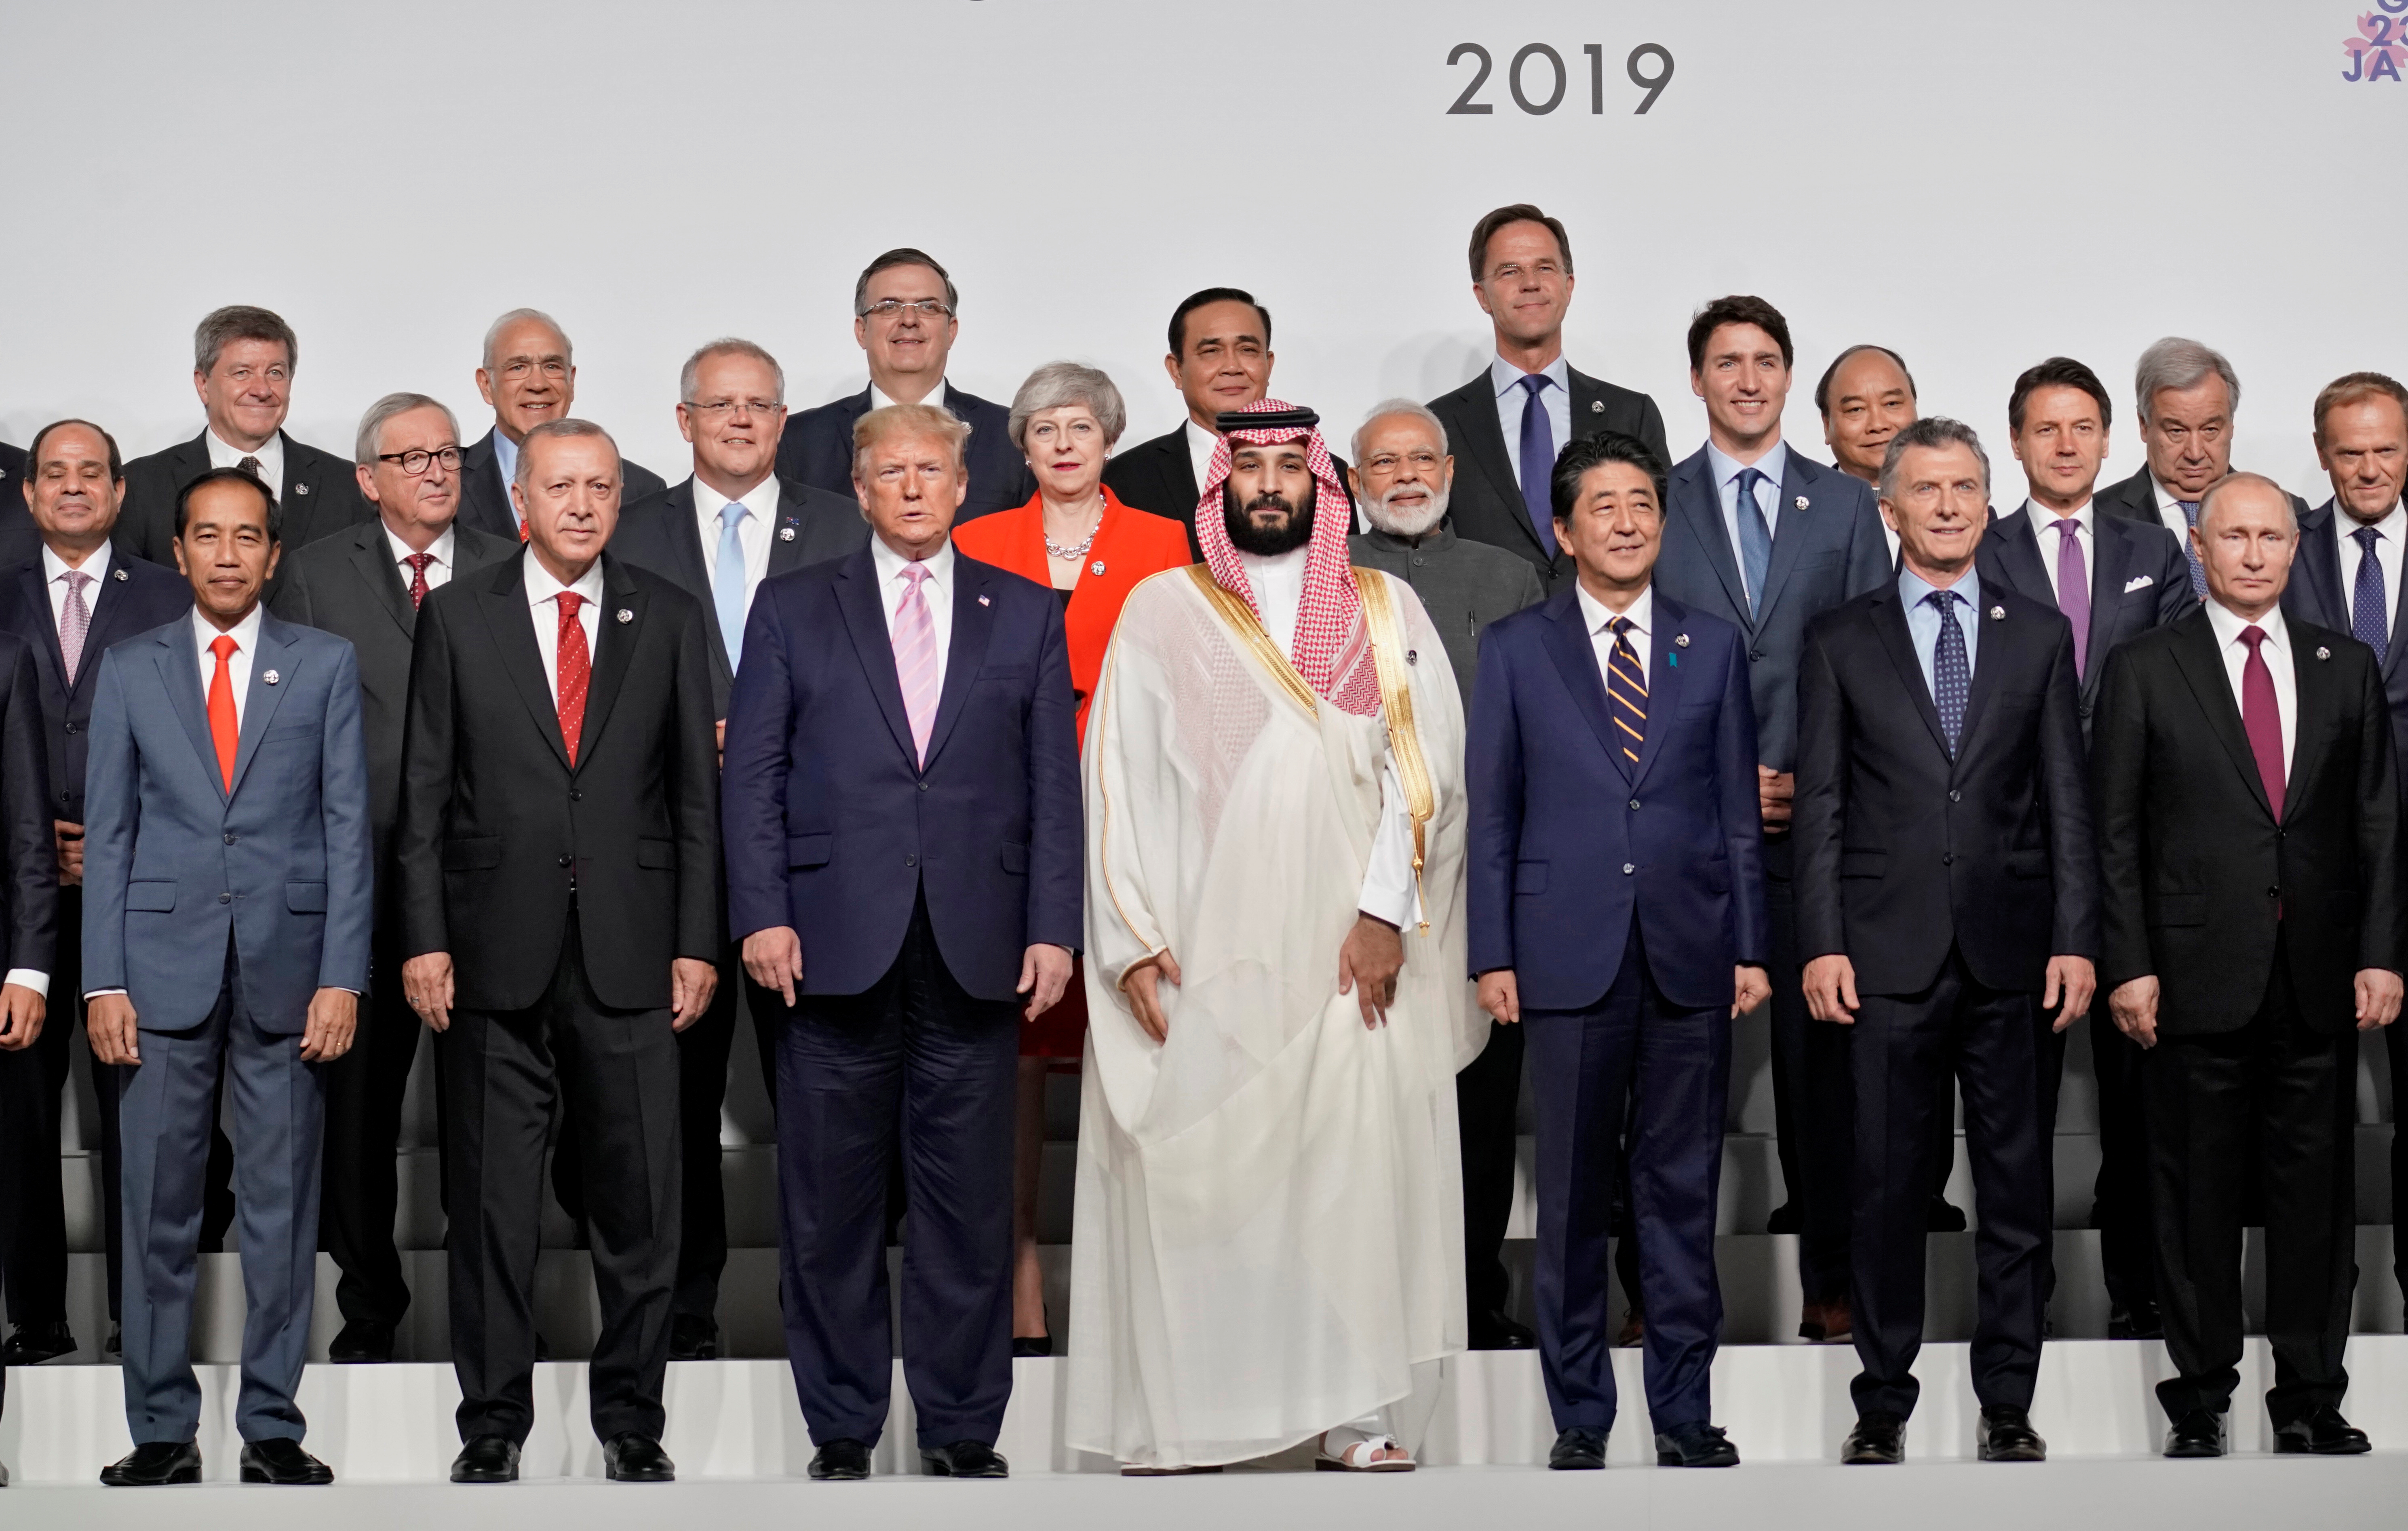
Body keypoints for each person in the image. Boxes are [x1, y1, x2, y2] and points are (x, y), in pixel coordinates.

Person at [1067, 397, 1482, 1474]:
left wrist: (1385, 913)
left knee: (1352, 1187)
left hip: (1352, 957)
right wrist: (1131, 939)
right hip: (1215, 952)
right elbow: (1114, 781)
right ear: (1219, 484)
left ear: (1318, 481)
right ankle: (1197, 1415)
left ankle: (1356, 1418)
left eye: (1284, 467)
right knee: (1215, 1182)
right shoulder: (1163, 608)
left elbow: (1423, 775)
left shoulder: (1383, 609)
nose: (1265, 483)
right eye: (1244, 465)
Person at [722, 402, 1080, 1483]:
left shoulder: (1022, 610)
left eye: (933, 468)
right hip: (828, 940)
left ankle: (962, 1422)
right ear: (860, 488)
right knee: (829, 1202)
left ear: (963, 485)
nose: (915, 486)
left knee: (967, 1203)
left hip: (977, 943)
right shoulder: (791, 607)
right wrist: (762, 910)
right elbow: (754, 779)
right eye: (893, 471)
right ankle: (839, 1422)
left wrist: (1052, 927)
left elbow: (1052, 789)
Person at [396, 419, 719, 1485]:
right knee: (490, 1206)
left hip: (632, 952)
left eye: (600, 487)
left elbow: (693, 798)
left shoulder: (667, 616)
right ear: (520, 497)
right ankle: (490, 1421)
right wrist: (425, 940)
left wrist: (695, 941)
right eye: (560, 486)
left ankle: (633, 1416)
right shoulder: (456, 615)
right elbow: (425, 794)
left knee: (641, 1202)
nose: (580, 504)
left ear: (619, 499)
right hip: (490, 954)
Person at [1796, 418, 2096, 1467]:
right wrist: (1820, 940)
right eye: (1925, 489)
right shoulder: (1839, 638)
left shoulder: (2037, 631)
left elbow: (2065, 798)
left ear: (1984, 498)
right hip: (1880, 956)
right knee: (1883, 1187)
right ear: (1889, 508)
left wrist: (2074, 936)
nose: (1947, 505)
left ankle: (2007, 1398)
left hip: (2012, 952)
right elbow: (1822, 805)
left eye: (1964, 486)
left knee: (2014, 1188)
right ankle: (1880, 1397)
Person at [1468, 431, 1767, 1471]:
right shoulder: (1513, 647)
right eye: (1604, 506)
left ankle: (1684, 1412)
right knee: (1574, 1197)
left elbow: (1737, 811)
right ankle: (1581, 1416)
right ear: (1564, 529)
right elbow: (1493, 814)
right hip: (1563, 954)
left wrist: (1751, 944)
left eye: (1643, 502)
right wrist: (1492, 950)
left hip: (1691, 952)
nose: (1629, 521)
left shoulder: (1710, 643)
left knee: (1680, 1192)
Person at [2094, 473, 2402, 1459]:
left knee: (2317, 1203)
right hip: (2189, 977)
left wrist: (2380, 955)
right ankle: (2200, 1395)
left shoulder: (2345, 665)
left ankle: (2311, 1393)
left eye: (2274, 535)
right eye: (2238, 536)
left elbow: (2378, 826)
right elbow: (2116, 834)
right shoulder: (2145, 665)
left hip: (2315, 976)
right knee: (2194, 1198)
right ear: (2201, 546)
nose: (2259, 553)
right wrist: (2129, 964)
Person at [85, 466, 371, 1487]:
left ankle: (273, 1425)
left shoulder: (325, 665)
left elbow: (347, 832)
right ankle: (161, 1426)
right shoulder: (130, 668)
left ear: (273, 553)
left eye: (246, 537)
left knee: (283, 1209)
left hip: (291, 979)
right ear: (179, 549)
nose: (226, 554)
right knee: (157, 1208)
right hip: (155, 981)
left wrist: (344, 974)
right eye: (208, 535)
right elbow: (109, 836)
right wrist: (100, 981)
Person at [611, 339, 865, 1359]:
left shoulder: (846, 525)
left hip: (811, 863)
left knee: (820, 1105)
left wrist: (764, 734)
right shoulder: (628, 532)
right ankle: (686, 1323)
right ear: (684, 422)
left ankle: (829, 1323)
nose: (742, 422)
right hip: (671, 863)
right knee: (674, 1111)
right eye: (721, 406)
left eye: (760, 406)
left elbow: (882, 690)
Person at [1653, 294, 1892, 1345]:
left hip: (1813, 836)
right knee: (1676, 1078)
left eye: (1762, 361)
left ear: (1786, 377)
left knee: (1818, 1075)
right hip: (1686, 839)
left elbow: (1873, 662)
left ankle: (1830, 1282)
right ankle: (1665, 1294)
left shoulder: (1843, 508)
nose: (1745, 379)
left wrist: (1811, 774)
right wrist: (1714, 781)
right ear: (1695, 379)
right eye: (1724, 362)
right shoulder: (1652, 502)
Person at [267, 395, 517, 1364]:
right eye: (410, 458)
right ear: (368, 479)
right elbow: (285, 740)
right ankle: (369, 1308)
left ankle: (485, 1314)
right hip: (356, 890)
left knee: (489, 1113)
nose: (436, 470)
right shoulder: (318, 574)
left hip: (489, 888)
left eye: (448, 452)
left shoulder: (507, 565)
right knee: (358, 1113)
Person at [950, 362, 1189, 1359]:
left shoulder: (1166, 544)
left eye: (1080, 426)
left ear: (1109, 438)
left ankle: (1142, 1273)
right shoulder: (974, 542)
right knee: (1016, 1053)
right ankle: (1017, 1267)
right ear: (1020, 444)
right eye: (1042, 427)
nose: (1061, 443)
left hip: (1135, 812)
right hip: (1008, 814)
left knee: (1139, 1041)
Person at [1976, 358, 2194, 1340]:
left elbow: (2188, 684)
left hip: (2139, 850)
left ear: (2110, 441)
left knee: (2142, 1086)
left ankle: (2139, 1285)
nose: (2065, 445)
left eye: (2082, 428)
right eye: (2044, 429)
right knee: (2016, 1093)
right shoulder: (1980, 548)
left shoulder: (2155, 547)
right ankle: (2025, 1300)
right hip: (2017, 846)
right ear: (2017, 443)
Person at [1343, 399, 1544, 1352]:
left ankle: (1472, 1300)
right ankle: (1372, 1312)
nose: (1407, 475)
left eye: (1424, 458)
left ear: (1454, 472)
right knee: (1364, 1109)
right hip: (1357, 889)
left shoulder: (1509, 578)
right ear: (1352, 481)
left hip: (1486, 882)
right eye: (1385, 462)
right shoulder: (1324, 582)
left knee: (1480, 1099)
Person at [0, 422, 191, 1370]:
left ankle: (138, 1321)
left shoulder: (169, 594)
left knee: (140, 1117)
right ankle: (36, 1320)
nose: (72, 489)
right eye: (54, 475)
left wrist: (115, 844)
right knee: (21, 1120)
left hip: (142, 890)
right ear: (30, 495)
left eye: (91, 474)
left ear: (119, 493)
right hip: (18, 903)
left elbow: (200, 739)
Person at [2280, 371, 2408, 1316]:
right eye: (2351, 451)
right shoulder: (2283, 550)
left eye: (2387, 449)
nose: (2369, 468)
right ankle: (2323, 1308)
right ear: (2321, 454)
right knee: (2311, 1110)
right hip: (2315, 863)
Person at [1427, 205, 1669, 594]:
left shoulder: (1631, 414)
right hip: (1487, 646)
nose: (1531, 283)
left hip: (1610, 641)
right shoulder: (1439, 423)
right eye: (1510, 271)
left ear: (1568, 285)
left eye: (1545, 268)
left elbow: (1663, 540)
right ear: (1482, 295)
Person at [776, 249, 1033, 522]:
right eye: (888, 306)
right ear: (862, 330)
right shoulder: (798, 442)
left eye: (929, 307)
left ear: (952, 331)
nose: (909, 320)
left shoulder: (1013, 438)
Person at [1101, 288, 1355, 552]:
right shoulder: (1125, 479)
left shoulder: (1326, 474)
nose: (1232, 366)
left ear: (1268, 365)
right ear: (1177, 370)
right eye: (1211, 351)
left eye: (1248, 349)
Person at [118, 307, 371, 564]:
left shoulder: (347, 487)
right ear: (203, 384)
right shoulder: (141, 486)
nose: (262, 390)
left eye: (275, 373)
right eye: (242, 373)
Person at [2094, 337, 2305, 592]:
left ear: (2231, 425)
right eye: (2177, 431)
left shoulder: (2290, 512)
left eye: (2210, 430)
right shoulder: (2100, 517)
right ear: (2144, 425)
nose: (2195, 453)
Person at [459, 310, 667, 543]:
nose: (537, 384)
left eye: (552, 367)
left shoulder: (642, 491)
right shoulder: (448, 482)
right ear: (487, 385)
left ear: (571, 380)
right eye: (518, 367)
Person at [1815, 344, 1916, 561]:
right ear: (1827, 425)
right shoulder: (1797, 518)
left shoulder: (1962, 514)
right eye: (1856, 409)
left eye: (1892, 403)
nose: (1878, 425)